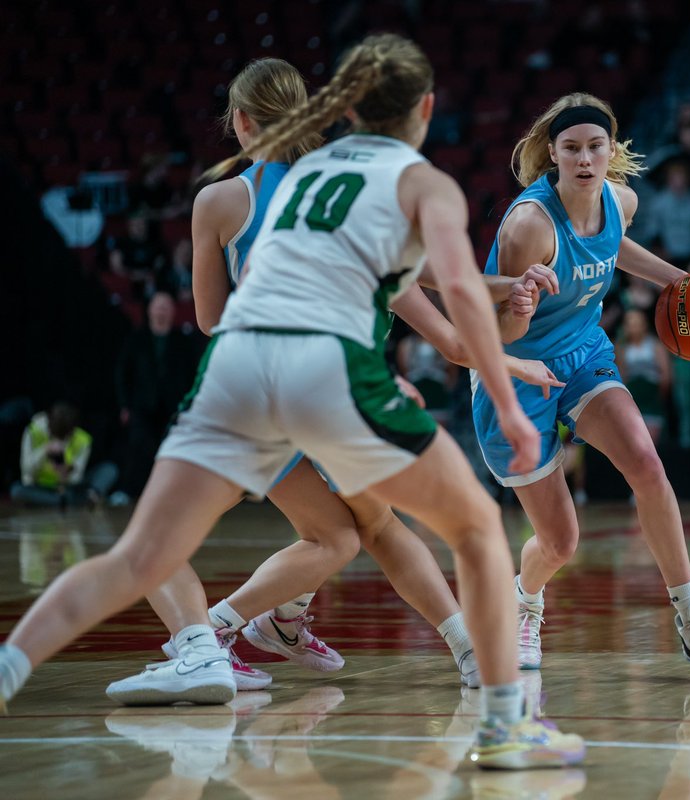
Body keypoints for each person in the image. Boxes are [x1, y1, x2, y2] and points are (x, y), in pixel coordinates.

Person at [0, 34, 583, 770]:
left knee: (142, 554)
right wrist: (503, 393)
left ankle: (15, 666)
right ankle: (502, 724)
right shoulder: (411, 178)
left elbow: (269, 301)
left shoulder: (286, 179)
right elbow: (451, 289)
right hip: (325, 363)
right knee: (470, 527)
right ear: (427, 109)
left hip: (235, 362)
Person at [106, 57, 567, 703]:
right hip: (344, 391)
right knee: (358, 533)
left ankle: (206, 642)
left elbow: (210, 318)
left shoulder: (220, 200)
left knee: (165, 532)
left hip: (257, 388)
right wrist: (511, 324)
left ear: (239, 121)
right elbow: (435, 286)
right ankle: (449, 649)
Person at [472, 92, 690, 672]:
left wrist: (680, 282)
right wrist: (521, 307)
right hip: (517, 372)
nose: (584, 159)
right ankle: (523, 603)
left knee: (647, 463)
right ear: (552, 153)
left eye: (595, 147)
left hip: (583, 356)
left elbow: (611, 246)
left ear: (611, 150)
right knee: (559, 544)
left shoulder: (620, 199)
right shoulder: (529, 225)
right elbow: (493, 331)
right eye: (572, 148)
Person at [114, 291, 201, 497]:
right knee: (140, 448)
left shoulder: (182, 341)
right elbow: (123, 374)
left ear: (173, 311)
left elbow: (192, 374)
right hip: (142, 405)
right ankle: (133, 492)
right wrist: (124, 405)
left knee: (174, 450)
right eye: (158, 305)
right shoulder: (137, 339)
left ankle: (173, 493)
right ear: (150, 310)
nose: (162, 310)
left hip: (174, 406)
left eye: (166, 306)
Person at [11, 402, 117, 508]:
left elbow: (77, 477)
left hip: (69, 488)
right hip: (41, 486)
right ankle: (67, 502)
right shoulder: (33, 431)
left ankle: (66, 500)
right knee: (17, 490)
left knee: (109, 469)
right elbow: (26, 472)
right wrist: (44, 451)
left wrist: (67, 472)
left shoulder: (82, 440)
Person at [614, 308, 670, 444]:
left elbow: (666, 376)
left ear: (644, 324)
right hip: (632, 397)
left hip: (652, 398)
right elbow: (621, 376)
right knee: (633, 442)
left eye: (636, 323)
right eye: (629, 323)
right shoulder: (621, 347)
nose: (632, 326)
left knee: (651, 443)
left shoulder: (655, 345)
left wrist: (657, 395)